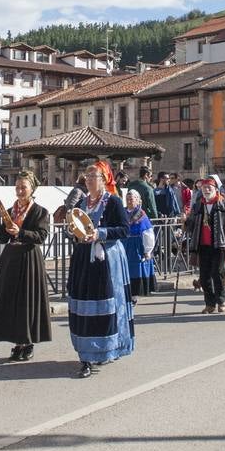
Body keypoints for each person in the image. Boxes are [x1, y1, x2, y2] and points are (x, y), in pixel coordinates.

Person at [66, 160, 134, 378]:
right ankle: (86, 354)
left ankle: (102, 350)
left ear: (104, 180)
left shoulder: (112, 202)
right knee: (83, 304)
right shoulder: (84, 203)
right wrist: (72, 232)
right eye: (86, 177)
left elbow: (124, 230)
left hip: (105, 260)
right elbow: (78, 230)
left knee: (102, 305)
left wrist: (100, 234)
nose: (88, 180)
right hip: (84, 259)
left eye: (92, 176)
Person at [0, 170, 53, 362]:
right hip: (11, 259)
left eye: (23, 187)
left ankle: (27, 341)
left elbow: (41, 236)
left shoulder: (40, 211)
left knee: (26, 301)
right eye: (17, 187)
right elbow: (3, 238)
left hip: (28, 259)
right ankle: (17, 341)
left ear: (32, 189)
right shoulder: (10, 210)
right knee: (11, 301)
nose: (20, 191)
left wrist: (21, 232)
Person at [183, 176, 225, 315]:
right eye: (204, 188)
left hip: (220, 245)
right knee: (204, 276)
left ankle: (221, 301)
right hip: (202, 245)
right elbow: (191, 226)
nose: (207, 190)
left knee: (217, 274)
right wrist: (185, 221)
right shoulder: (198, 205)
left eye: (209, 188)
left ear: (215, 189)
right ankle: (210, 304)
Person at [122, 190, 158, 299]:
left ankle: (135, 295)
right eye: (127, 199)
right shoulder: (123, 212)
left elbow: (147, 232)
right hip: (124, 244)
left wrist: (148, 250)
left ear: (138, 200)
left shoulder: (141, 214)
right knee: (125, 268)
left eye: (131, 199)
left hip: (136, 245)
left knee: (135, 268)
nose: (129, 201)